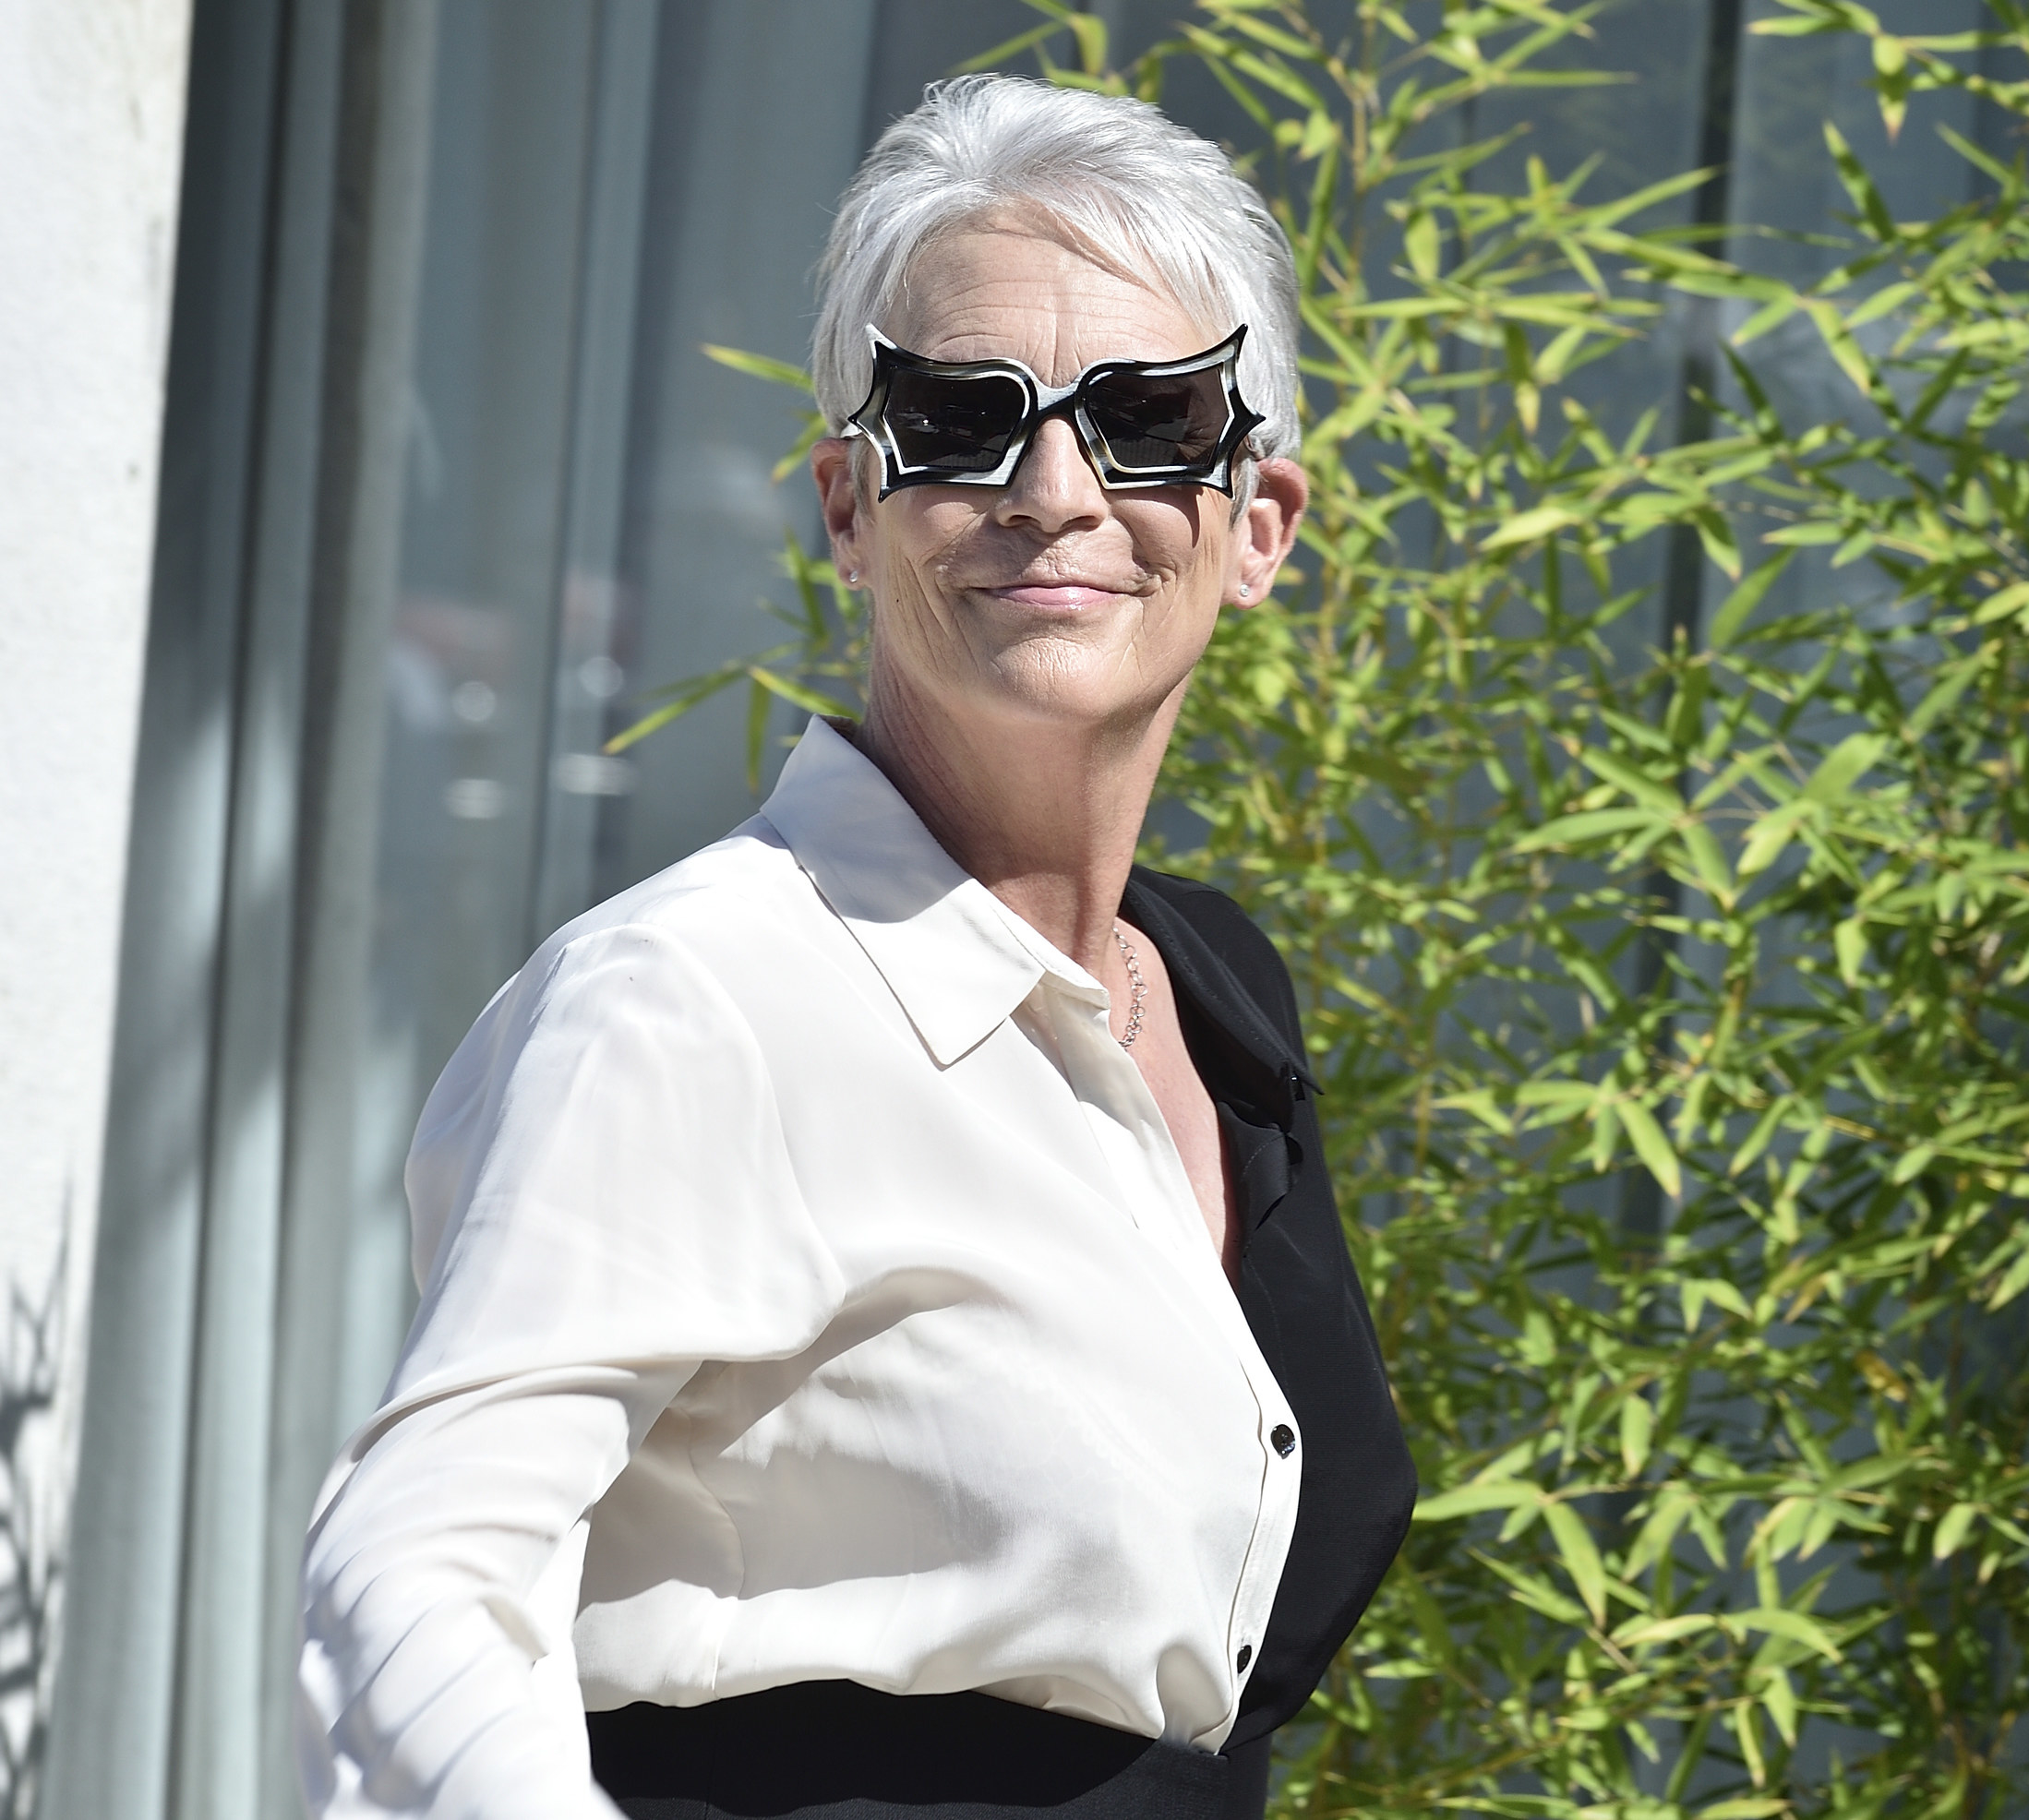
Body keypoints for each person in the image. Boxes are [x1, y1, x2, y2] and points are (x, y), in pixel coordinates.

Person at [295, 75, 1414, 1820]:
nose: (1053, 486)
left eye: (1145, 416)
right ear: (846, 502)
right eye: (963, 417)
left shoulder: (1212, 992)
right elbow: (415, 1581)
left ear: (1256, 521)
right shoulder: (702, 994)